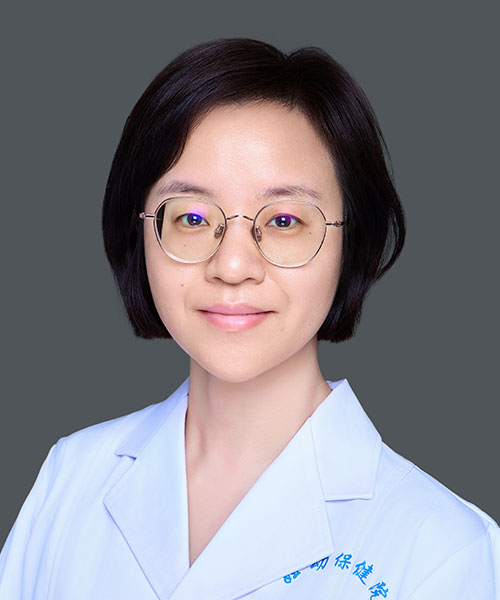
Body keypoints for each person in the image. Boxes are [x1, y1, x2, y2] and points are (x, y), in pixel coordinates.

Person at [0, 38, 498, 599]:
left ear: (350, 242)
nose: (232, 267)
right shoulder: (71, 477)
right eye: (192, 217)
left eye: (284, 221)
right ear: (140, 234)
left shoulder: (443, 548)